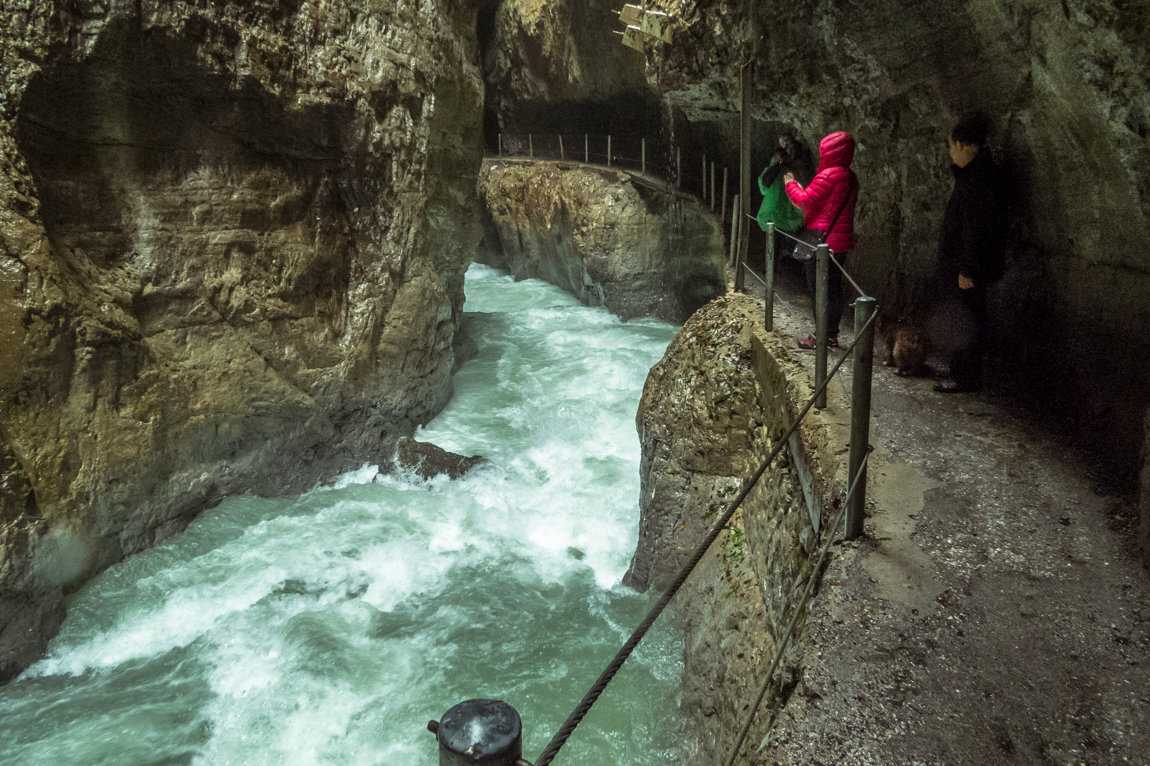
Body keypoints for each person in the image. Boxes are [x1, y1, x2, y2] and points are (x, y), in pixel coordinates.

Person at [933, 111, 1007, 394]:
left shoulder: (979, 180)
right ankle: (961, 372)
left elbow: (975, 228)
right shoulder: (975, 176)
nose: (951, 153)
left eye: (952, 146)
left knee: (967, 320)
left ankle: (966, 378)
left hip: (968, 266)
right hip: (965, 263)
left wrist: (967, 268)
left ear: (963, 145)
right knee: (964, 317)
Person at [783, 131, 858, 348]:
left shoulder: (828, 176)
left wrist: (791, 185)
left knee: (819, 291)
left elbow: (804, 201)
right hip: (840, 243)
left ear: (829, 152)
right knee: (833, 290)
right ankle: (831, 335)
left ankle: (821, 337)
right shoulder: (850, 176)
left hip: (821, 243)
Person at [756, 146, 804, 255]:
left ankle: (771, 268)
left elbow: (763, 188)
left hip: (772, 213)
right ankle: (785, 263)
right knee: (788, 242)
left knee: (773, 243)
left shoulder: (772, 170)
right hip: (791, 215)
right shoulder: (793, 169)